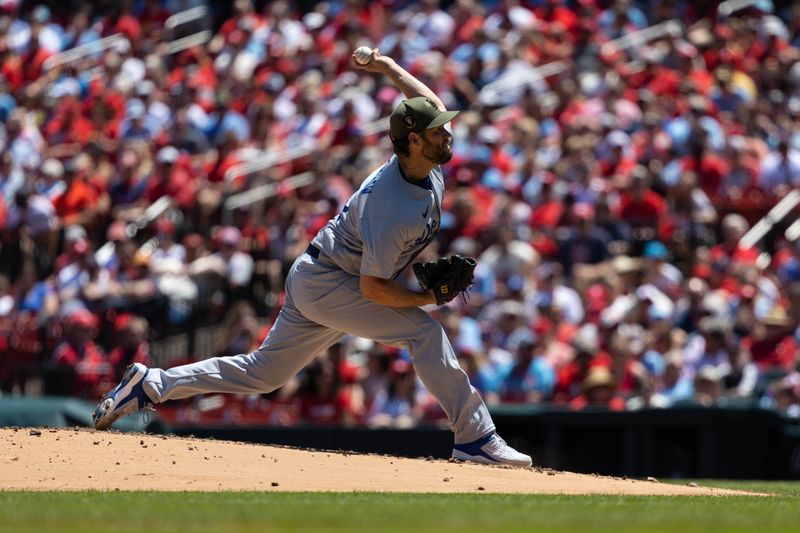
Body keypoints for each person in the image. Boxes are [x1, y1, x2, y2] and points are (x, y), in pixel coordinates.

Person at [92, 48, 532, 467]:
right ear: (414, 140)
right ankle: (475, 437)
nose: (448, 131)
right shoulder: (391, 205)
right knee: (425, 334)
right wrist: (425, 299)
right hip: (332, 282)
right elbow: (372, 288)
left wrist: (385, 64)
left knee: (264, 374)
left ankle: (151, 383)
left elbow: (427, 99)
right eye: (437, 130)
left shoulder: (424, 157)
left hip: (319, 275)